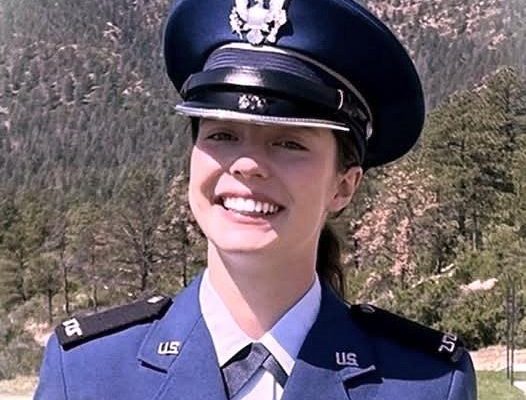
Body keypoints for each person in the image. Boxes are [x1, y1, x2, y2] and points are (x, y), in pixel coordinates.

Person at [34, 0, 477, 399]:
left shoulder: (426, 383)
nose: (247, 165)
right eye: (223, 135)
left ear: (343, 186)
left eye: (288, 142)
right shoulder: (88, 374)